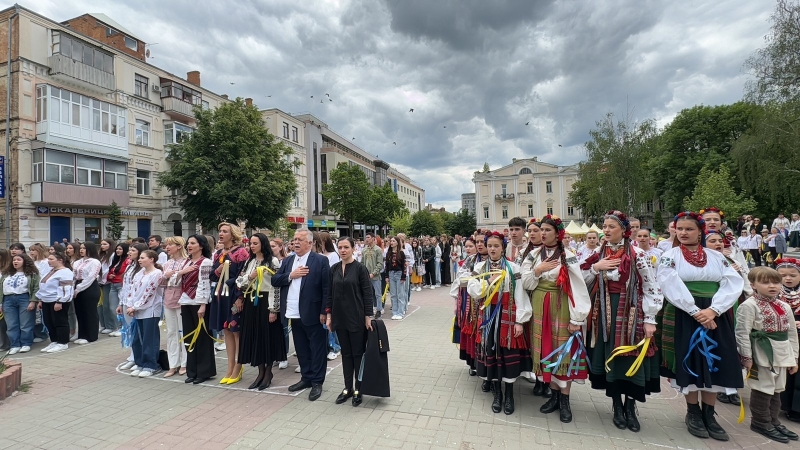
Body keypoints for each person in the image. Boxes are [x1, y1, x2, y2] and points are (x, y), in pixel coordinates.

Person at [656, 212, 744, 441]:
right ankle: (693, 412)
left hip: (715, 311)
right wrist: (695, 311)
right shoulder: (670, 255)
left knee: (714, 359)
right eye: (680, 229)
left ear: (700, 232)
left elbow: (732, 281)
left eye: (689, 229)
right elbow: (669, 282)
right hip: (685, 312)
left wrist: (714, 310)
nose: (683, 233)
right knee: (691, 358)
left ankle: (709, 414)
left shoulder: (715, 257)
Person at [581, 211, 663, 433]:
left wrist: (650, 319)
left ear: (624, 230)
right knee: (611, 355)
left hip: (631, 311)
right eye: (604, 226)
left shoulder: (637, 253)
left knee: (631, 355)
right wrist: (596, 268)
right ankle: (616, 405)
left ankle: (630, 405)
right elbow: (582, 277)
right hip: (605, 311)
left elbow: (650, 286)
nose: (606, 230)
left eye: (611, 227)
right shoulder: (599, 253)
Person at [521, 215, 591, 423]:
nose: (542, 233)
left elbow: (578, 287)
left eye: (547, 230)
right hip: (539, 305)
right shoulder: (533, 255)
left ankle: (565, 401)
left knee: (562, 351)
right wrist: (537, 270)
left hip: (561, 305)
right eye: (540, 229)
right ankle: (553, 396)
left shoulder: (567, 256)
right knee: (546, 349)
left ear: (557, 233)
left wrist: (577, 318)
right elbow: (525, 283)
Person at [469, 231, 532, 416]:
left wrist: (520, 321)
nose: (492, 249)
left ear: (503, 247)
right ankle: (498, 393)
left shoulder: (513, 268)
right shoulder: (480, 267)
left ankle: (510, 395)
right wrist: (486, 283)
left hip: (508, 316)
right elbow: (473, 290)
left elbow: (520, 294)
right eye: (490, 246)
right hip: (488, 317)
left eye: (496, 246)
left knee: (508, 354)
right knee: (492, 353)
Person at [735, 266, 799, 443]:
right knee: (762, 388)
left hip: (781, 353)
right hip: (762, 354)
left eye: (775, 282)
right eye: (765, 282)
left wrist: (794, 358)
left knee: (777, 389)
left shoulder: (784, 305)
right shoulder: (749, 305)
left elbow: (791, 333)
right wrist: (746, 357)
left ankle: (774, 421)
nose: (772, 286)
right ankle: (761, 422)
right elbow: (742, 332)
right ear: (753, 285)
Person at [272, 229, 331, 401]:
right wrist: (291, 275)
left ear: (310, 243)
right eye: (295, 239)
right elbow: (276, 280)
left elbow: (327, 288)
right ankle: (306, 378)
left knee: (317, 349)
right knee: (301, 349)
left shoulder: (320, 261)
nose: (296, 242)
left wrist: (324, 311)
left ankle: (317, 382)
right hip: (293, 313)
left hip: (313, 313)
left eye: (300, 239)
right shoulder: (288, 261)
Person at [326, 237, 374, 406]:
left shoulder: (360, 269)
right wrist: (329, 316)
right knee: (346, 355)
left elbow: (368, 294)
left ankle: (358, 389)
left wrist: (368, 316)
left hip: (356, 317)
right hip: (339, 317)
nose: (343, 250)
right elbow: (329, 294)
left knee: (357, 354)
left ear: (354, 248)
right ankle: (347, 388)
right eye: (340, 247)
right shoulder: (334, 269)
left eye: (346, 247)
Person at [235, 233, 284, 390]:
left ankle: (268, 372)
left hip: (266, 302)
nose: (252, 246)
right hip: (252, 302)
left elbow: (275, 286)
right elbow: (239, 282)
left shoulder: (273, 261)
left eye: (255, 243)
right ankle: (260, 372)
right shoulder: (250, 261)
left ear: (263, 244)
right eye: (251, 243)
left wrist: (273, 309)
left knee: (266, 337)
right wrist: (251, 276)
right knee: (255, 337)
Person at [209, 222, 250, 385]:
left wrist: (240, 297)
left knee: (236, 331)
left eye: (225, 231)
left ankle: (238, 366)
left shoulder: (241, 253)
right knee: (226, 330)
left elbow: (244, 276)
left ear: (232, 234)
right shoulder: (218, 253)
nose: (221, 233)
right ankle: (230, 365)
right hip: (221, 295)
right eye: (220, 231)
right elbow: (212, 276)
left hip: (234, 295)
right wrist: (217, 271)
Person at [180, 235, 215, 384]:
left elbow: (205, 284)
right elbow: (175, 280)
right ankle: (192, 371)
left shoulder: (205, 262)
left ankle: (204, 371)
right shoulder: (186, 262)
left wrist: (202, 304)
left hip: (198, 302)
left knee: (202, 337)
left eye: (193, 243)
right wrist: (181, 272)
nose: (189, 246)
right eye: (188, 243)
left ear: (201, 246)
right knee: (189, 337)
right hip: (185, 300)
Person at [126, 250, 164, 378]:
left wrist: (135, 307)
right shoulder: (139, 273)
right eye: (140, 258)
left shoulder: (157, 273)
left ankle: (151, 364)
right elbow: (132, 290)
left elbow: (149, 292)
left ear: (151, 259)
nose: (140, 260)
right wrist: (130, 304)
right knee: (137, 337)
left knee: (149, 338)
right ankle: (140, 362)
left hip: (150, 309)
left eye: (143, 258)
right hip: (137, 309)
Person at [450, 237, 480, 376]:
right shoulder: (468, 261)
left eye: (470, 246)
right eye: (466, 246)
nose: (468, 249)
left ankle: (480, 361)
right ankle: (472, 361)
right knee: (469, 330)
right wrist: (456, 302)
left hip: (478, 299)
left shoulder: (480, 260)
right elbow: (460, 280)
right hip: (466, 298)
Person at [1, 253, 41, 354]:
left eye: (18, 260)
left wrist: (33, 301)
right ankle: (14, 345)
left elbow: (36, 288)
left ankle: (26, 343)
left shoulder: (32, 274)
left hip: (24, 298)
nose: (15, 262)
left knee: (25, 323)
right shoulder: (6, 274)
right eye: (14, 260)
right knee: (11, 324)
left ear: (24, 261)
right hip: (8, 299)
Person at [36, 252, 74, 353]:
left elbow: (66, 288)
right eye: (48, 259)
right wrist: (40, 299)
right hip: (46, 300)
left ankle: (63, 342)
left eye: (51, 259)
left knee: (60, 321)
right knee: (49, 321)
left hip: (57, 300)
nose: (48, 261)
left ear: (60, 260)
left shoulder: (65, 272)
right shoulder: (51, 271)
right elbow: (43, 286)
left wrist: (60, 301)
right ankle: (54, 340)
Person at [161, 237, 188, 378]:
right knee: (171, 333)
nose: (167, 247)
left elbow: (187, 280)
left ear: (179, 246)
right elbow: (160, 283)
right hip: (168, 299)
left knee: (183, 332)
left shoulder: (186, 262)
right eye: (166, 245)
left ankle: (184, 363)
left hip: (182, 299)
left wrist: (178, 274)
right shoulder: (167, 263)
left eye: (170, 244)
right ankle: (173, 364)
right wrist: (166, 276)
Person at [777, 258, 800, 422]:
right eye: (783, 275)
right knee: (786, 372)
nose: (788, 279)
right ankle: (785, 405)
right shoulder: (774, 293)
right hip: (783, 338)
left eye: (792, 275)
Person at [72, 242, 101, 345]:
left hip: (89, 287)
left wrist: (79, 288)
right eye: (80, 248)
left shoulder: (95, 262)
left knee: (90, 312)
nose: (81, 250)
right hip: (78, 285)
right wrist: (74, 288)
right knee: (80, 312)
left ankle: (91, 336)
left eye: (84, 248)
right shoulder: (77, 262)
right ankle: (82, 334)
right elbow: (74, 276)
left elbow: (91, 277)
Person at [271, 238, 290, 371]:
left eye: (274, 246)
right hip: (272, 298)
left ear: (280, 247)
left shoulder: (286, 261)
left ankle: (284, 356)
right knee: (274, 328)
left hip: (284, 298)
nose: (271, 248)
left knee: (284, 328)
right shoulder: (269, 261)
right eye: (270, 246)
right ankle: (276, 354)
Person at [106, 244, 129, 338]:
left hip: (121, 285)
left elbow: (126, 274)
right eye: (117, 249)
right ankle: (117, 327)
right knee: (112, 307)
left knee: (121, 308)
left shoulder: (127, 261)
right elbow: (109, 273)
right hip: (113, 285)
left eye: (120, 249)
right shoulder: (116, 260)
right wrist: (109, 276)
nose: (118, 251)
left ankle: (122, 327)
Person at [28, 243, 50, 343]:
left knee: (39, 314)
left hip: (40, 289)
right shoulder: (32, 262)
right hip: (31, 289)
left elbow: (45, 276)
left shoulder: (45, 262)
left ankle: (42, 333)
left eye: (34, 250)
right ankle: (33, 333)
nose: (32, 252)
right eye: (30, 250)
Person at [361, 233, 384, 317]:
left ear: (373, 238)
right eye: (366, 237)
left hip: (375, 276)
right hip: (366, 276)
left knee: (378, 294)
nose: (366, 239)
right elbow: (362, 263)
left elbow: (380, 263)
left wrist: (373, 273)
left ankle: (379, 310)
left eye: (368, 237)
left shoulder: (378, 249)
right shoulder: (364, 250)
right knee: (368, 294)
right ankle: (369, 310)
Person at [97, 238, 117, 335]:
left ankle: (110, 325)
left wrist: (103, 278)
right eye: (101, 244)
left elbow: (108, 269)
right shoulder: (102, 256)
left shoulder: (112, 255)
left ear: (110, 245)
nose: (102, 246)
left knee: (107, 305)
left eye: (105, 244)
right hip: (100, 282)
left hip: (107, 282)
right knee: (100, 305)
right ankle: (104, 324)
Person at [385, 236, 407, 320]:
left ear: (397, 242)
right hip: (391, 273)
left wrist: (403, 277)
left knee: (400, 294)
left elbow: (404, 266)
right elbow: (387, 265)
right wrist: (386, 276)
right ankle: (394, 312)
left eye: (393, 241)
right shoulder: (389, 253)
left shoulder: (401, 253)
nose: (391, 242)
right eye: (391, 241)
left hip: (399, 273)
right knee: (393, 294)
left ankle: (400, 312)